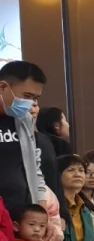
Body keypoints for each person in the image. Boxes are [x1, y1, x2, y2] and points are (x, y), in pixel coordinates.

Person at [0, 61, 55, 220]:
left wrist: (41, 208)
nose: (30, 104)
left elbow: (34, 166)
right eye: (27, 96)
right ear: (3, 87)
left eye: (35, 98)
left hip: (21, 213)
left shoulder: (24, 119)